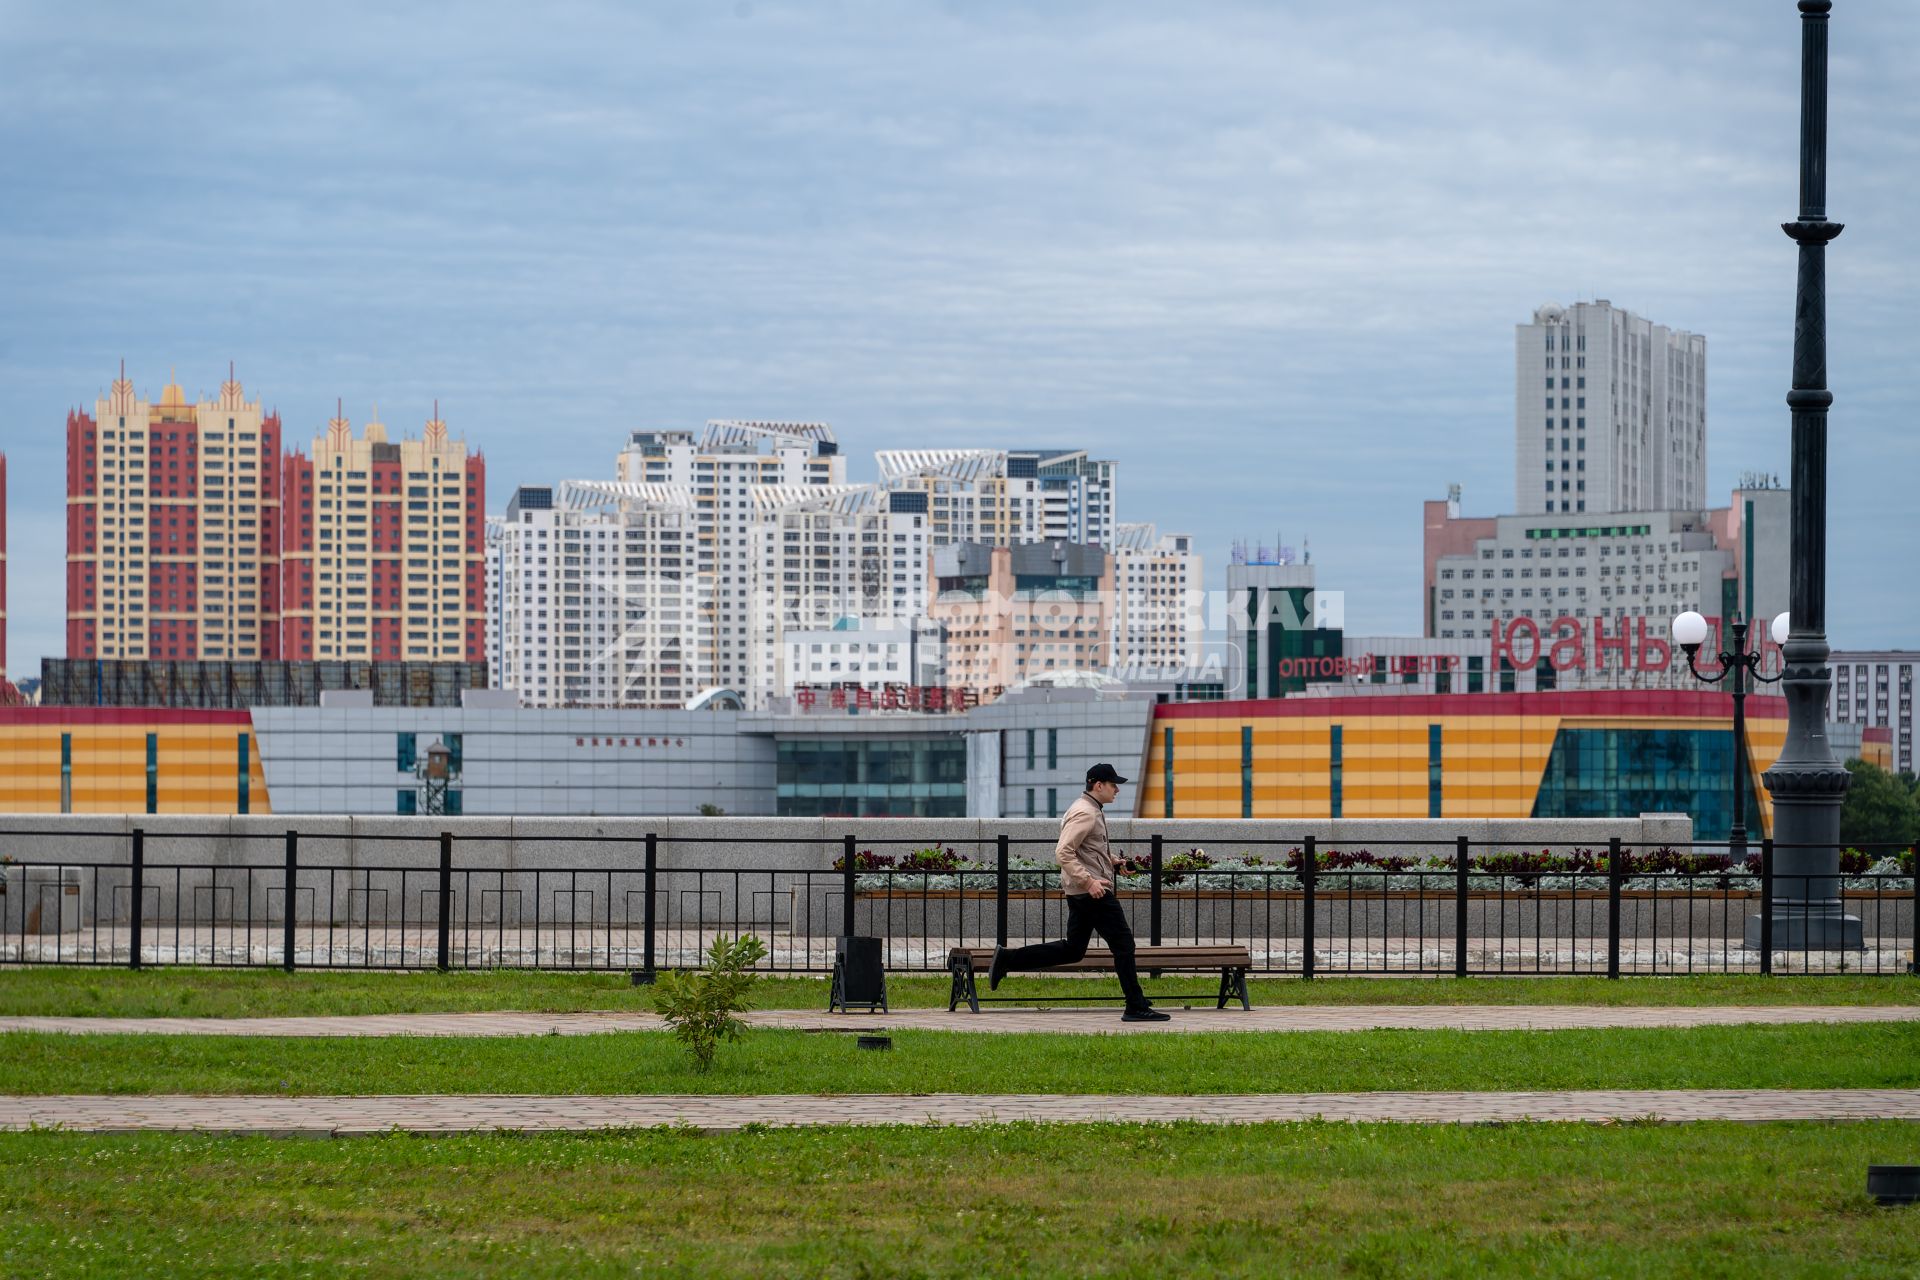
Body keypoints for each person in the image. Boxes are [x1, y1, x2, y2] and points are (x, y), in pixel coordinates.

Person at [988, 763, 1170, 1022]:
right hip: (1093, 893)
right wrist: (1089, 882)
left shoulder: (1088, 808)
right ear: (1099, 786)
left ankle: (1007, 959)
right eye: (1113, 784)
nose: (1117, 789)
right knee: (1124, 945)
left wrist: (1113, 864)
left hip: (1083, 892)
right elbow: (1063, 851)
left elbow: (1087, 850)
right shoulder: (1086, 812)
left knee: (1073, 950)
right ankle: (1135, 1005)